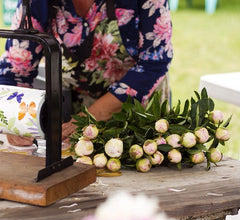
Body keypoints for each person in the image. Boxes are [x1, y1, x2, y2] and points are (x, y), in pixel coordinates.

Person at [0, 0, 173, 146]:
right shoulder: (36, 3)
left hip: (140, 107)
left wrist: (92, 116)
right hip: (74, 110)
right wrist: (16, 119)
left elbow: (154, 63)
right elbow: (16, 69)